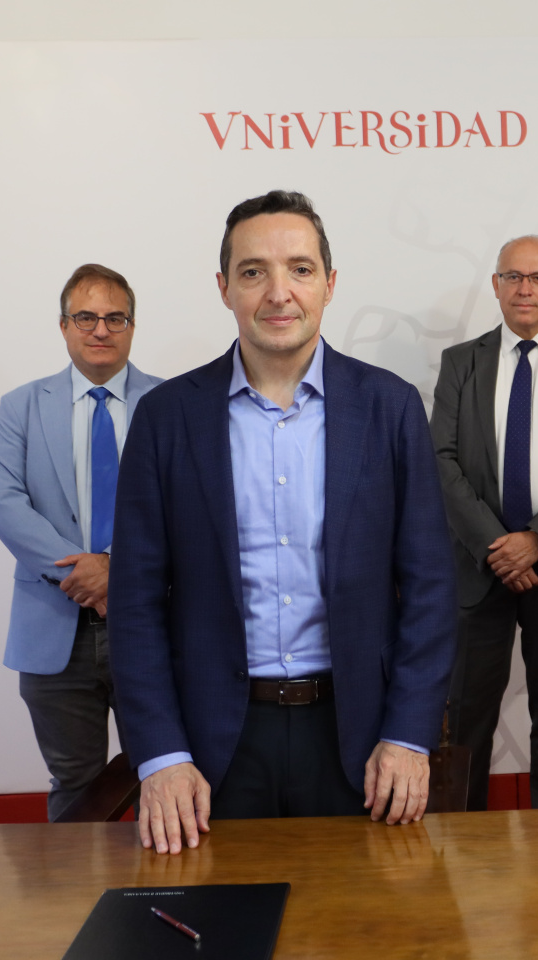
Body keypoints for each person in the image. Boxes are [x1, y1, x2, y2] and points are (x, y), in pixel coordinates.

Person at [110, 190, 456, 854]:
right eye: (252, 272)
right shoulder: (165, 420)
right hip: (211, 748)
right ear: (224, 288)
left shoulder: (389, 408)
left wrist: (409, 734)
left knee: (362, 937)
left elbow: (432, 590)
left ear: (330, 284)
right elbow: (135, 606)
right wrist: (160, 757)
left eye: (299, 269)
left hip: (359, 738)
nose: (278, 292)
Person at [431, 235, 538, 810]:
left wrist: (537, 540)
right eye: (513, 277)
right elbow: (442, 460)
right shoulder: (463, 362)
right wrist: (496, 546)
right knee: (468, 720)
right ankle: (462, 841)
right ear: (496, 286)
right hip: (480, 570)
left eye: (537, 278)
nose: (524, 288)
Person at [0, 263, 162, 821]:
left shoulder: (170, 403)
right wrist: (81, 572)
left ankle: (163, 898)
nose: (100, 329)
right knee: (75, 783)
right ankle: (73, 906)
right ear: (64, 326)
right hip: (52, 626)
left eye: (115, 317)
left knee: (167, 770)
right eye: (86, 317)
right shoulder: (22, 406)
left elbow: (187, 511)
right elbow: (4, 501)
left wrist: (117, 570)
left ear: (132, 326)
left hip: (151, 625)